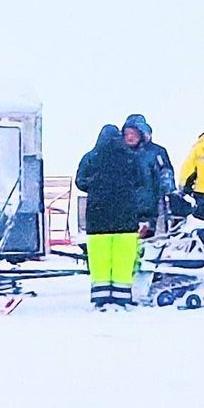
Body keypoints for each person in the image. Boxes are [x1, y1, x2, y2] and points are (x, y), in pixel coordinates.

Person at [77, 123, 144, 309]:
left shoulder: (90, 158)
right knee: (123, 258)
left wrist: (97, 186)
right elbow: (140, 181)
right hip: (125, 216)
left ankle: (100, 297)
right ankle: (122, 297)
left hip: (98, 217)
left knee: (100, 259)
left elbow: (80, 183)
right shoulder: (131, 157)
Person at [121, 114, 177, 235]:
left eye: (133, 134)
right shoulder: (119, 153)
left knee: (148, 242)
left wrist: (169, 194)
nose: (129, 137)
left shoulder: (155, 152)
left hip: (149, 207)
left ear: (141, 134)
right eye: (127, 134)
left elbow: (166, 174)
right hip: (124, 208)